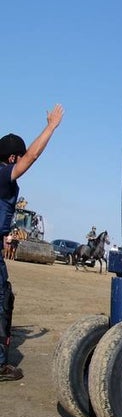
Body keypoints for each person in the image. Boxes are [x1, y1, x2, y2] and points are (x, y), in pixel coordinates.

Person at [1, 105, 65, 382]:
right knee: (2, 301)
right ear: (12, 157)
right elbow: (32, 157)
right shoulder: (4, 176)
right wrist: (51, 127)